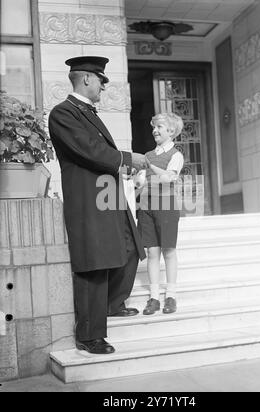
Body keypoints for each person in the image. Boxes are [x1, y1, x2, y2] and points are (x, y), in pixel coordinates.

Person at [48, 56, 147, 355]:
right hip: (89, 198)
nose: (103, 86)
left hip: (107, 191)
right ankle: (89, 335)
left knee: (130, 246)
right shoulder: (63, 113)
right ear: (87, 79)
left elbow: (100, 152)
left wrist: (122, 166)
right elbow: (89, 150)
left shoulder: (85, 111)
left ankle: (113, 303)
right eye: (101, 81)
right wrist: (127, 159)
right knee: (94, 260)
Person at [135, 113, 184, 316]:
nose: (155, 130)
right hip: (147, 207)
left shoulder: (176, 155)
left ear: (171, 131)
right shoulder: (147, 155)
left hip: (167, 206)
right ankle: (154, 297)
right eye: (154, 127)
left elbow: (167, 179)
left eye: (160, 127)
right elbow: (140, 181)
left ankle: (170, 295)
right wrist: (137, 177)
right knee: (152, 253)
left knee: (169, 251)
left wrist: (148, 167)